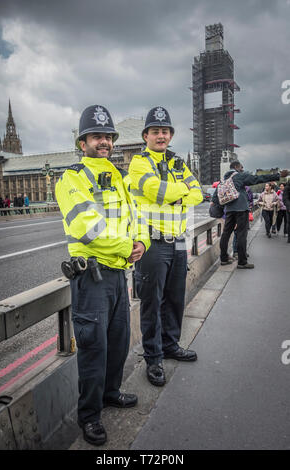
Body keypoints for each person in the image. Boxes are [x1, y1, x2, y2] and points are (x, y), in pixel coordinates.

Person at [55, 105, 150, 446]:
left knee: (119, 341)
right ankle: (89, 415)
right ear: (83, 143)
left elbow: (135, 216)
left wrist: (142, 240)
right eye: (96, 137)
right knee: (94, 347)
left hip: (116, 277)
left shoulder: (120, 178)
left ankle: (110, 392)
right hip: (90, 279)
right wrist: (128, 247)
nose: (104, 142)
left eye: (108, 137)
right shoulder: (71, 179)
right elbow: (87, 229)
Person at [129, 106, 203, 388]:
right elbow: (155, 191)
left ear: (171, 135)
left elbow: (197, 193)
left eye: (165, 131)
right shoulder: (139, 163)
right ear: (146, 135)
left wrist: (177, 194)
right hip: (152, 243)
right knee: (152, 304)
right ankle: (153, 358)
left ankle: (171, 345)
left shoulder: (177, 163)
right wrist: (178, 192)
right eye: (155, 131)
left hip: (179, 242)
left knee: (174, 299)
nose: (161, 136)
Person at [212, 161, 288, 268]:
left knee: (226, 233)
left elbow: (215, 198)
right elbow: (257, 179)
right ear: (236, 167)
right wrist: (278, 175)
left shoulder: (223, 180)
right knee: (241, 234)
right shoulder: (239, 176)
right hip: (241, 209)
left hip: (229, 210)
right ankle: (242, 262)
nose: (242, 169)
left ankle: (224, 258)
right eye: (241, 167)